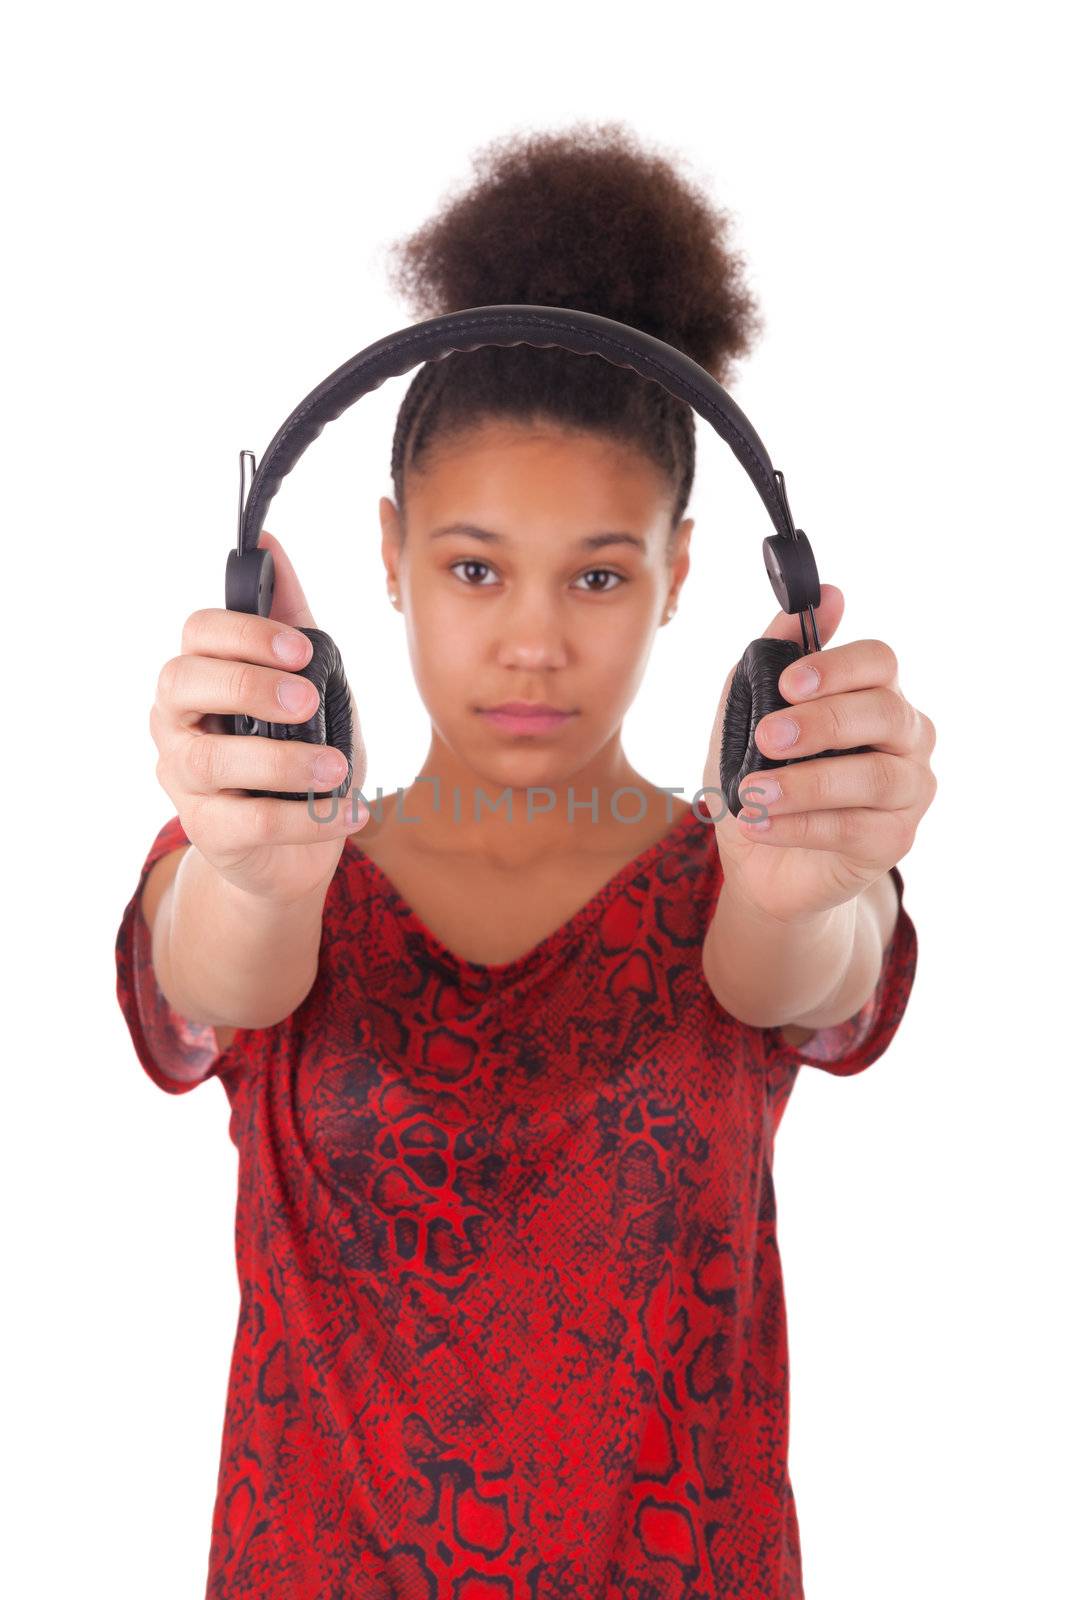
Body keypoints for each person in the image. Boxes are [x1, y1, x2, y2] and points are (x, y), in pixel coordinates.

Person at [115, 121, 935, 1598]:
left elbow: (805, 972)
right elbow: (211, 957)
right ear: (390, 551)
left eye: (602, 574)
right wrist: (253, 874)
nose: (536, 640)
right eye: (476, 566)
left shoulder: (757, 869)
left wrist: (803, 886)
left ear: (684, 573)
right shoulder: (263, 856)